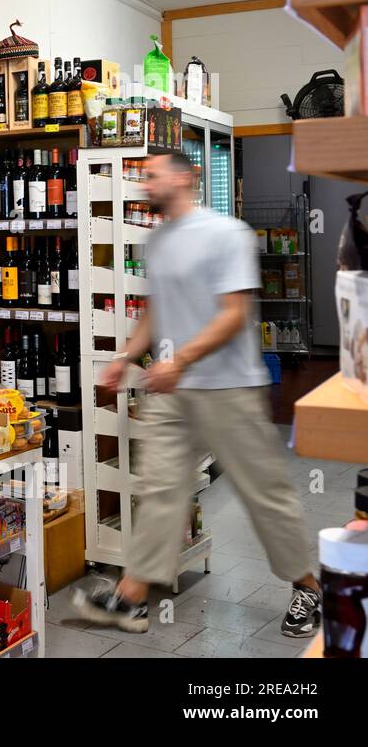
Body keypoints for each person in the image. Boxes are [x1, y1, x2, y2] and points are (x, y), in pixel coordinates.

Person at [73, 152, 321, 637]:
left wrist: (179, 360)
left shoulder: (225, 234)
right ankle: (132, 598)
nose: (144, 183)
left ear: (187, 178)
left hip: (227, 389)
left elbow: (233, 314)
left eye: (152, 175)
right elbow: (156, 309)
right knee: (160, 490)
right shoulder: (158, 240)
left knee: (262, 494)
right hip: (172, 390)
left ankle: (307, 587)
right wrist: (125, 357)